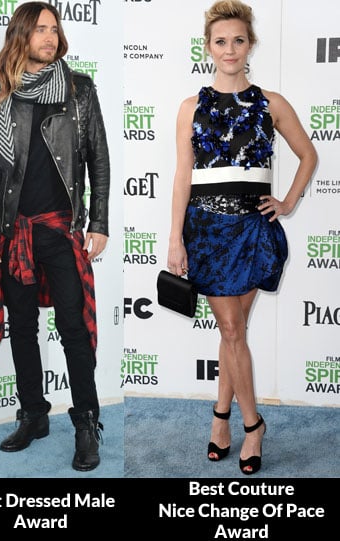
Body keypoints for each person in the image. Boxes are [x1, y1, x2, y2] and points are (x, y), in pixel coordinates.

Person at [0, 2, 110, 471]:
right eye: (40, 29)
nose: (49, 36)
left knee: (73, 328)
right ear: (21, 34)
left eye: (54, 29)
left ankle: (86, 423)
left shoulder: (79, 90)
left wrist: (98, 222)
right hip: (13, 233)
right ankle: (33, 414)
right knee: (21, 326)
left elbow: (98, 159)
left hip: (61, 231)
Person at [167, 0, 317, 475]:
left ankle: (221, 418)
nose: (229, 49)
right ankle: (253, 425)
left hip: (254, 231)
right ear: (208, 47)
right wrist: (175, 238)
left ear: (250, 45)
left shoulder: (271, 103)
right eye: (220, 41)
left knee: (234, 332)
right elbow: (183, 177)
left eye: (238, 40)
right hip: (207, 232)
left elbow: (308, 155)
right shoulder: (190, 108)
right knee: (232, 330)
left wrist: (287, 202)